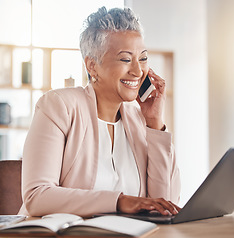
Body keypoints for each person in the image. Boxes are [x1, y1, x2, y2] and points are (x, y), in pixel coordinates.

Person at [18, 7, 181, 217]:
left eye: (142, 58)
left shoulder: (141, 121)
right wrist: (119, 202)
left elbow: (165, 204)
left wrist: (155, 123)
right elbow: (37, 197)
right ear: (92, 66)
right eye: (125, 59)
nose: (138, 71)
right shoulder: (59, 106)